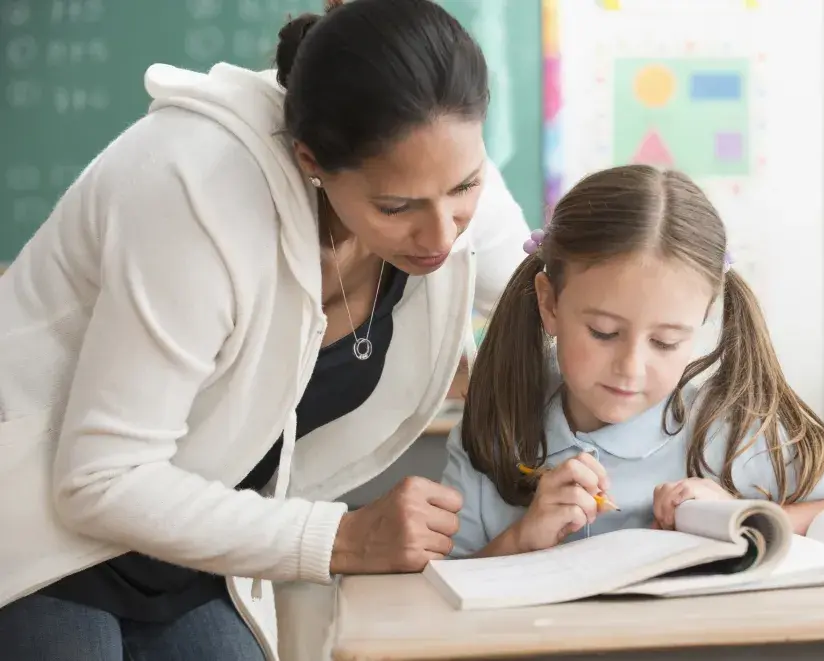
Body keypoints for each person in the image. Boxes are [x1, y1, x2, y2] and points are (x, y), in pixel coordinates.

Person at [0, 0, 530, 659]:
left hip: (188, 541)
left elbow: (549, 317)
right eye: (396, 207)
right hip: (36, 524)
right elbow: (99, 480)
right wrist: (346, 538)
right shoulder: (194, 190)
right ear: (311, 160)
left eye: (466, 186)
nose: (444, 232)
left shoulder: (435, 164)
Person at [441, 164, 824, 558]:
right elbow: (430, 602)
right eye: (603, 332)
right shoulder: (494, 428)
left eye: (665, 342)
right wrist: (519, 541)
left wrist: (757, 518)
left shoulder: (730, 434)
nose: (631, 366)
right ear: (550, 303)